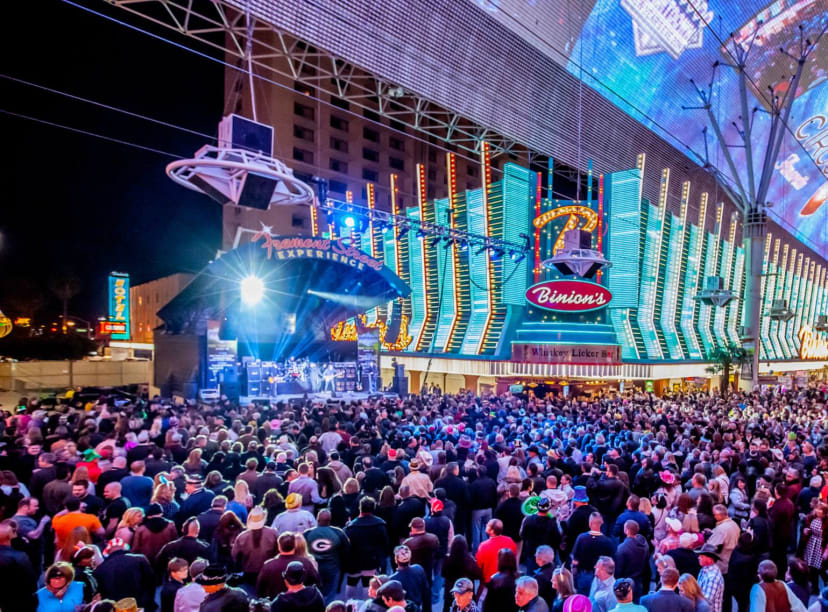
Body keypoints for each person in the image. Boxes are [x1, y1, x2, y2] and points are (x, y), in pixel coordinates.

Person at [344, 496, 391, 599]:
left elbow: (346, 546)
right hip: (371, 560)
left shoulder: (351, 527)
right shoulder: (380, 525)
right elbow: (385, 545)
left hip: (353, 561)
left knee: (351, 583)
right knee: (368, 583)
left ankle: (348, 605)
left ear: (360, 508)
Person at [93, 538, 156, 612]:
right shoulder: (140, 559)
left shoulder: (100, 569)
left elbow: (100, 593)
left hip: (115, 608)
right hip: (139, 606)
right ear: (123, 547)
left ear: (108, 551)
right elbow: (152, 582)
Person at [304, 509, 350, 603]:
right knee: (330, 595)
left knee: (315, 594)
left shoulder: (307, 533)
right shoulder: (338, 532)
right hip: (333, 568)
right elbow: (347, 550)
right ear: (330, 520)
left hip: (314, 569)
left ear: (317, 519)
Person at [257, 531, 321, 599]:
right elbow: (317, 584)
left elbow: (260, 590)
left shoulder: (268, 566)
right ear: (294, 546)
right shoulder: (306, 563)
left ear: (279, 546)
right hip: (302, 604)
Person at [232, 506, 280, 587]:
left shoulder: (242, 536)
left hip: (248, 572)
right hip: (269, 571)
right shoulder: (273, 533)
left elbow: (234, 556)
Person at [572, 513, 615, 595]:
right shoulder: (607, 542)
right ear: (601, 523)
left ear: (590, 523)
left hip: (583, 577)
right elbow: (611, 563)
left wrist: (574, 577)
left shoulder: (581, 538)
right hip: (602, 578)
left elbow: (575, 561)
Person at [520, 496, 559, 572]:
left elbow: (523, 535)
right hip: (546, 556)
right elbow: (556, 539)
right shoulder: (552, 523)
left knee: (531, 576)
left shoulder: (528, 520)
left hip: (532, 553)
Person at [614, 521, 649, 601]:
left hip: (626, 584)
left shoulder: (622, 548)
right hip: (640, 581)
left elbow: (618, 570)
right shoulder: (644, 543)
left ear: (627, 530)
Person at [476, 518, 518, 583]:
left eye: (488, 525)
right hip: (508, 580)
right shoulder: (510, 541)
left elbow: (479, 565)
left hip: (489, 581)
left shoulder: (483, 546)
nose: (486, 525)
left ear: (492, 531)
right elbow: (514, 556)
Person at [391, 545, 430, 612]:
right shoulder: (418, 569)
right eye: (402, 553)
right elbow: (426, 594)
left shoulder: (393, 579)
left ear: (395, 559)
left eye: (406, 552)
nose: (404, 554)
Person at [695, 546, 724, 612]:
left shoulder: (713, 577)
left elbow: (706, 601)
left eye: (702, 556)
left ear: (710, 559)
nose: (698, 558)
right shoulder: (704, 570)